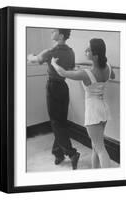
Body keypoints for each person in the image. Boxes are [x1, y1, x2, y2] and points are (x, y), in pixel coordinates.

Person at [51, 38, 115, 169]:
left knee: (100, 149)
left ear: (95, 55)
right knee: (95, 146)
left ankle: (108, 179)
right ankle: (95, 173)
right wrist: (84, 70)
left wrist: (54, 63)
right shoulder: (107, 67)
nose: (85, 51)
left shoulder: (85, 74)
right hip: (103, 108)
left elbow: (63, 72)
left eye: (88, 49)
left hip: (93, 111)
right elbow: (112, 75)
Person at [27, 29, 80, 170]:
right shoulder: (71, 52)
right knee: (61, 121)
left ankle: (71, 153)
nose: (51, 32)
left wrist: (29, 55)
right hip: (64, 87)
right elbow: (71, 67)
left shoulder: (50, 51)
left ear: (61, 35)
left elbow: (35, 59)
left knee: (56, 123)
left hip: (53, 87)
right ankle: (58, 153)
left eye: (54, 31)